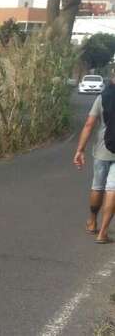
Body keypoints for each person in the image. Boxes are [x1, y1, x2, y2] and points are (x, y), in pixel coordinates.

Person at [74, 71, 115, 244]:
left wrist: (80, 150)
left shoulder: (102, 97)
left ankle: (92, 222)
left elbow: (89, 124)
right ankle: (103, 233)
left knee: (97, 186)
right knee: (112, 189)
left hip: (102, 149)